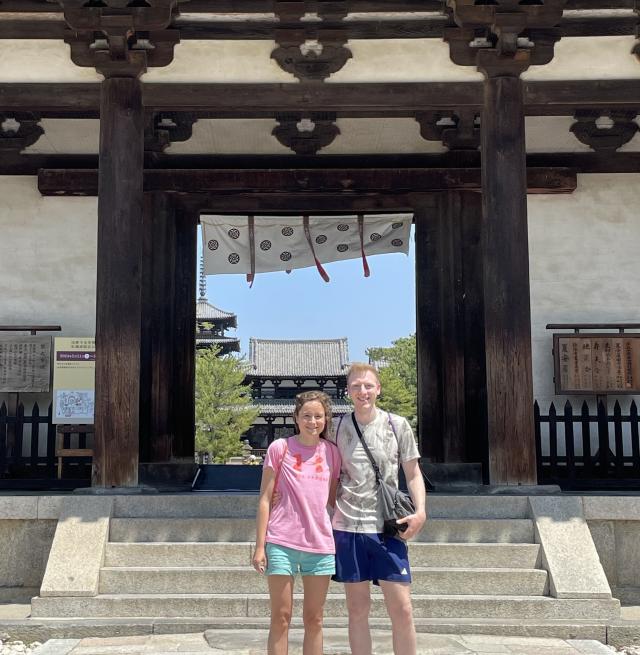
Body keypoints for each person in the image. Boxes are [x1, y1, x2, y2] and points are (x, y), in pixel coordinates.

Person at [327, 362, 427, 655]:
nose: (363, 391)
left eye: (368, 385)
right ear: (348, 391)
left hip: (387, 525)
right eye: (356, 386)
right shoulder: (338, 426)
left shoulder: (397, 425)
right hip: (348, 526)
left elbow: (412, 472)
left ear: (378, 389)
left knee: (402, 608)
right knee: (357, 610)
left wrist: (420, 511)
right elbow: (327, 471)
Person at [252, 390, 341, 655]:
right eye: (306, 416)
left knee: (315, 619)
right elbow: (265, 499)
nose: (312, 422)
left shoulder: (332, 453)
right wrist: (259, 546)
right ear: (296, 417)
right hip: (281, 541)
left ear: (326, 419)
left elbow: (333, 500)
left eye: (318, 416)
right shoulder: (280, 449)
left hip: (320, 543)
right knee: (281, 617)